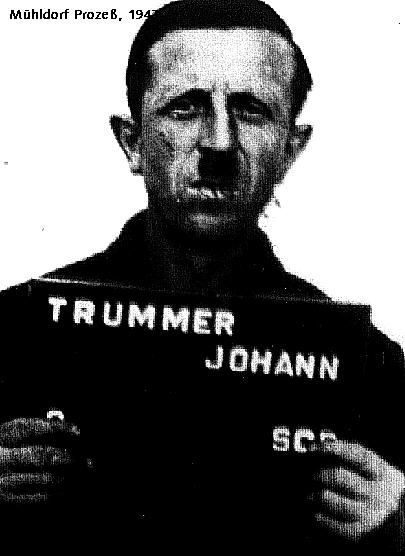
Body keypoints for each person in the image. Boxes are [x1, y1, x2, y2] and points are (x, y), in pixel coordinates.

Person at [0, 0, 404, 553]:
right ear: (132, 142)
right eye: (185, 108)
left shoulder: (369, 370)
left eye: (252, 111)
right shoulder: (9, 333)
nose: (219, 143)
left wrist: (400, 526)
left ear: (291, 149)